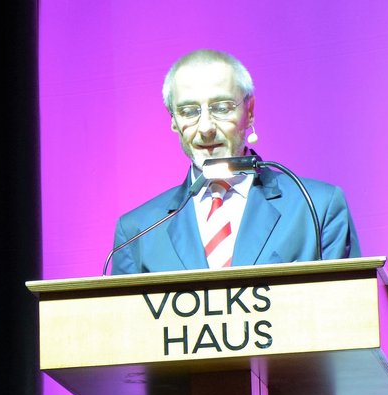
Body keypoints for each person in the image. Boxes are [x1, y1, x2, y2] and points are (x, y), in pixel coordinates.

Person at [111, 49, 360, 274]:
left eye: (221, 108)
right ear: (173, 121)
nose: (206, 128)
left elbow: (347, 305)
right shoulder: (137, 233)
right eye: (189, 111)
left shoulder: (317, 207)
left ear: (249, 112)